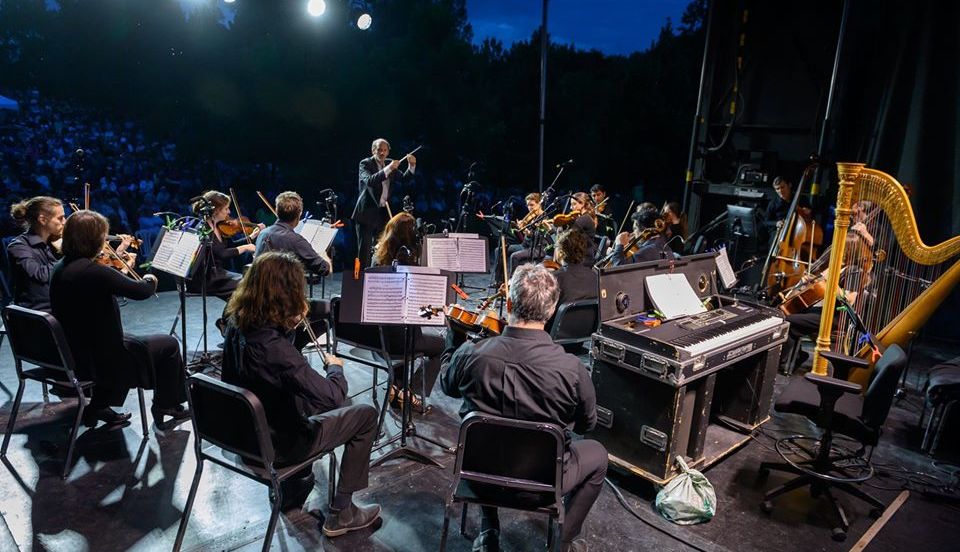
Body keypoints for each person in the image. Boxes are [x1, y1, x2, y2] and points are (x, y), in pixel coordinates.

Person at [440, 264, 605, 552]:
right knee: (599, 456)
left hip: (477, 478)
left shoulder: (471, 356)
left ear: (509, 304)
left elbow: (447, 386)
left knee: (490, 436)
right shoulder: (572, 369)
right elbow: (587, 424)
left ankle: (489, 529)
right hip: (542, 486)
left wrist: (453, 340)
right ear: (551, 312)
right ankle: (562, 543)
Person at [220, 252, 382, 535]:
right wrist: (335, 368)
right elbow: (333, 397)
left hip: (242, 439)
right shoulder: (276, 350)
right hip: (279, 446)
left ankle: (294, 484)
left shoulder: (236, 324)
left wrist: (289, 328)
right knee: (365, 415)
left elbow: (272, 373)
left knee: (305, 400)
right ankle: (343, 513)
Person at [50, 210, 189, 429]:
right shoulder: (94, 271)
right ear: (94, 240)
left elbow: (106, 283)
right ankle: (167, 404)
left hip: (75, 350)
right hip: (102, 359)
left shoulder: (60, 267)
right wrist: (151, 275)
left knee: (134, 341)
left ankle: (98, 406)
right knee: (169, 345)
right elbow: (142, 291)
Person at [781, 200, 876, 371]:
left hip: (835, 318)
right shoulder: (842, 267)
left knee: (789, 321)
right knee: (789, 313)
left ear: (850, 251)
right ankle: (796, 356)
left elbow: (850, 299)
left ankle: (785, 362)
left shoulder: (854, 271)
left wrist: (828, 283)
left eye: (842, 249)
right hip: (825, 312)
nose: (837, 251)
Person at [371, 212, 445, 411]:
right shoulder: (410, 263)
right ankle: (409, 392)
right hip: (399, 339)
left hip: (376, 337)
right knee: (441, 345)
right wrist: (438, 308)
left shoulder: (377, 257)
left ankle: (396, 386)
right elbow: (420, 310)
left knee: (402, 332)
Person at [254, 191, 330, 349]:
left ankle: (290, 344)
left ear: (277, 210)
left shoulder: (263, 234)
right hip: (284, 303)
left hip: (259, 298)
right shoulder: (295, 240)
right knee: (333, 309)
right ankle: (295, 346)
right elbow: (324, 269)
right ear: (299, 214)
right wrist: (324, 254)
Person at [352, 138, 417, 268]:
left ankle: (379, 273)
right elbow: (370, 181)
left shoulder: (388, 163)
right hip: (366, 212)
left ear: (388, 152)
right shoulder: (365, 163)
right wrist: (389, 168)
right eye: (379, 150)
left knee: (384, 247)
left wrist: (411, 165)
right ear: (373, 150)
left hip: (383, 212)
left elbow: (404, 179)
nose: (382, 153)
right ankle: (361, 276)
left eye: (385, 150)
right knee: (364, 250)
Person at [6, 196, 65, 311]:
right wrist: (68, 254)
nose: (64, 222)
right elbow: (39, 275)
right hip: (37, 313)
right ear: (42, 220)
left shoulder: (56, 242)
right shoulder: (18, 246)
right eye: (60, 218)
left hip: (59, 307)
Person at [492, 192, 547, 285]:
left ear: (539, 204)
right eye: (528, 205)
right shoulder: (531, 217)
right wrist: (519, 228)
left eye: (532, 205)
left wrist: (530, 234)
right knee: (499, 250)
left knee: (515, 256)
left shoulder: (544, 218)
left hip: (537, 249)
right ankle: (499, 281)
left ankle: (513, 283)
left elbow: (542, 237)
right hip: (525, 246)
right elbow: (525, 236)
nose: (530, 208)